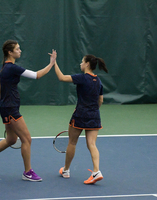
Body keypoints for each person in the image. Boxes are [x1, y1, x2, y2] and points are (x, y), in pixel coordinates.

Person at [0, 40, 57, 182]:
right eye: (18, 49)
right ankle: (28, 172)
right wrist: (51, 63)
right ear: (10, 52)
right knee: (26, 139)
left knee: (11, 139)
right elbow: (36, 75)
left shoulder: (4, 68)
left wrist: (5, 102)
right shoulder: (12, 68)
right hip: (11, 108)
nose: (20, 51)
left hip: (5, 107)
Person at [54, 54, 108, 184]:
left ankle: (66, 170)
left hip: (80, 114)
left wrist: (54, 62)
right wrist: (94, 109)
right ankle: (96, 171)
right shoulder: (98, 81)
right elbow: (100, 100)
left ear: (87, 64)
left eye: (82, 61)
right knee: (92, 144)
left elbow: (61, 78)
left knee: (72, 142)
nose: (80, 64)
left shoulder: (82, 78)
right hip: (94, 115)